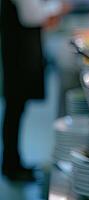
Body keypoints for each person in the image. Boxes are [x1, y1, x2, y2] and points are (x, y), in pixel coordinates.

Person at [0, 0, 69, 181]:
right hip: (19, 49)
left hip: (18, 46)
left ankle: (13, 162)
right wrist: (58, 7)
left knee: (16, 107)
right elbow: (31, 16)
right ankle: (11, 166)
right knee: (15, 107)